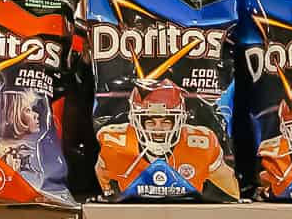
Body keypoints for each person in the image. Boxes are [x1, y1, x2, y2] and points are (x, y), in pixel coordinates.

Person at [96, 80, 238, 199]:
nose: (158, 129)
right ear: (135, 121)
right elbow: (104, 191)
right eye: (150, 122)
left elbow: (232, 194)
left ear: (180, 120)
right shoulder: (113, 141)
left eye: (166, 121)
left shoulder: (202, 142)